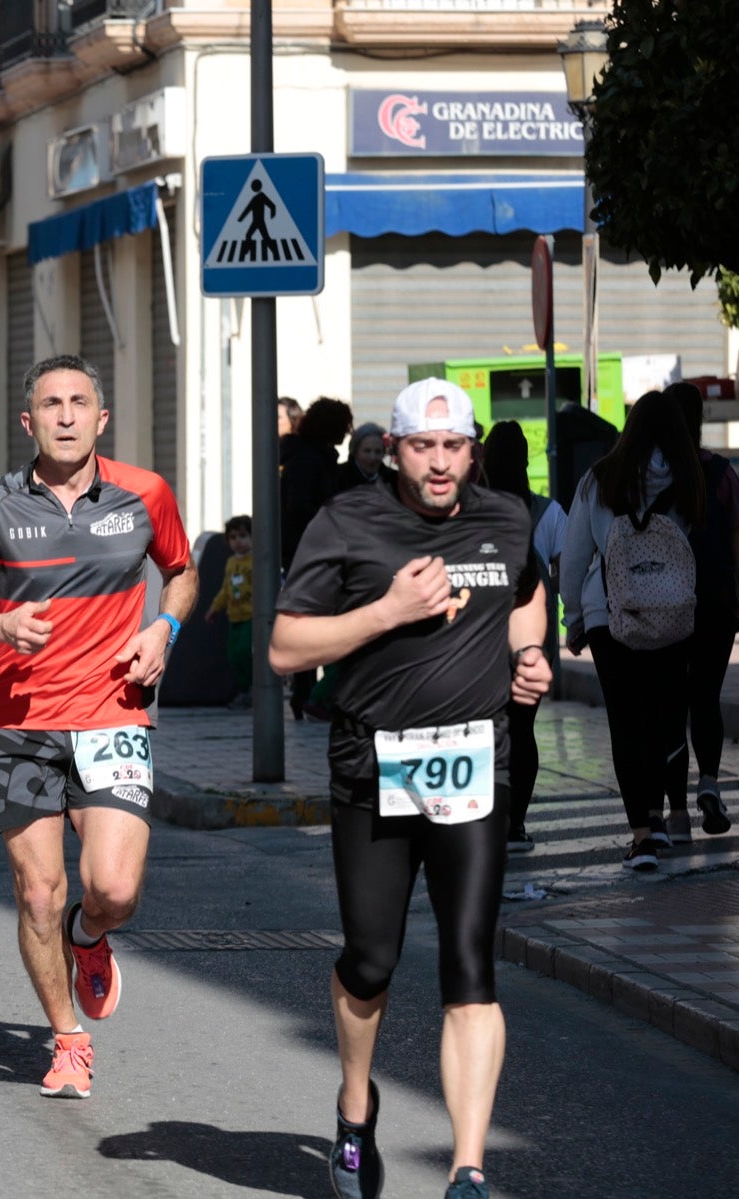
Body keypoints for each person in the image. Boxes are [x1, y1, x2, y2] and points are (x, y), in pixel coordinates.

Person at [269, 378, 549, 1199]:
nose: (439, 462)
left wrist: (529, 653)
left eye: (453, 446)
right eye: (422, 447)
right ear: (392, 450)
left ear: (472, 449)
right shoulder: (345, 522)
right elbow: (286, 646)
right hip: (372, 764)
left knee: (470, 962)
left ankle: (468, 1168)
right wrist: (387, 611)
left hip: (475, 764)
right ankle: (356, 1108)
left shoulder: (506, 518)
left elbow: (527, 593)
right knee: (371, 959)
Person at [0, 353, 195, 1100]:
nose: (66, 416)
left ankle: (89, 934)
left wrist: (164, 626)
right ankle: (67, 1037)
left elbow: (182, 570)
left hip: (112, 713)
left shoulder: (145, 493)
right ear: (28, 421)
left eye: (78, 403)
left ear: (102, 418)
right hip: (19, 721)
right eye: (50, 404)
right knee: (38, 892)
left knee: (115, 888)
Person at [560, 390, 706, 871]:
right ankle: (660, 818)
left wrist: (574, 617)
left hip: (609, 613)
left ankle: (642, 838)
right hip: (672, 614)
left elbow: (575, 555)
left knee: (625, 723)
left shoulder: (600, 478)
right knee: (662, 718)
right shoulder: (688, 478)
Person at [667, 381, 739, 837]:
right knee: (705, 697)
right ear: (699, 420)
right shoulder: (721, 473)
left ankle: (676, 814)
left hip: (663, 606)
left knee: (670, 703)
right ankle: (709, 782)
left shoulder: (652, 475)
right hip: (716, 604)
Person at [480, 422, 567, 854]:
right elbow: (568, 571)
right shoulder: (548, 513)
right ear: (525, 460)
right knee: (522, 729)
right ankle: (515, 826)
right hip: (531, 639)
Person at [280, 396, 354, 717]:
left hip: (306, 551)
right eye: (344, 426)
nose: (347, 432)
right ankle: (308, 694)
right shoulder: (309, 460)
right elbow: (299, 507)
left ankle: (306, 693)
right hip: (310, 552)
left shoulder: (309, 456)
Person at [204, 514, 254, 709]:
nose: (238, 541)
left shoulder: (255, 562)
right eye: (233, 537)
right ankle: (244, 691)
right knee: (234, 656)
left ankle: (253, 689)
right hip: (234, 617)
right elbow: (226, 589)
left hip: (251, 616)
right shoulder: (231, 563)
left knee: (244, 652)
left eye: (242, 536)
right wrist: (214, 608)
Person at [337, 423, 390, 492]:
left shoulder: (393, 480)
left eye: (378, 452)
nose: (372, 457)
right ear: (355, 451)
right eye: (367, 451)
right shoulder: (337, 477)